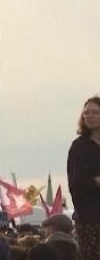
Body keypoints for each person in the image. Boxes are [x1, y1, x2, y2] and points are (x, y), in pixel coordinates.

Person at [67, 96, 100, 260]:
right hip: (90, 220)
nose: (90, 116)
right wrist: (97, 181)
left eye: (95, 112)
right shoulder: (79, 147)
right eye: (86, 113)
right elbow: (76, 183)